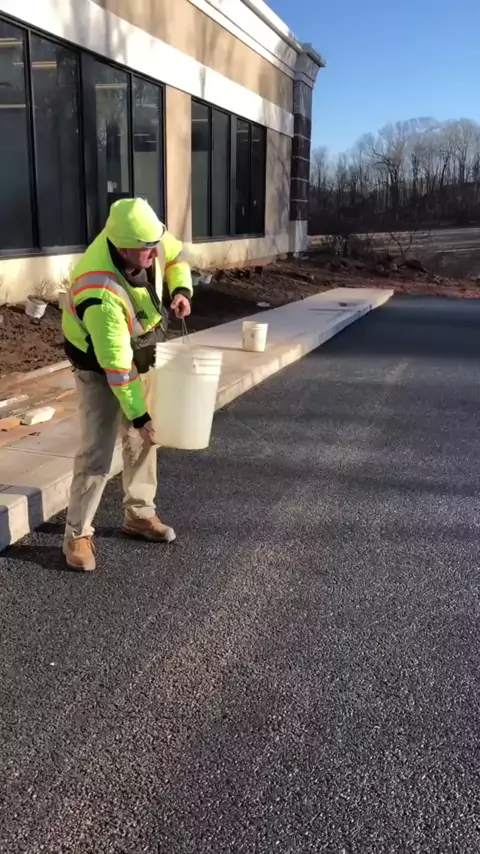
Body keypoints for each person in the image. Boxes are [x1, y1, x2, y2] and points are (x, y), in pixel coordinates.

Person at [61, 198, 193, 572]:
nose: (153, 253)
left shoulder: (147, 238)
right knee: (98, 451)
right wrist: (139, 414)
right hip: (98, 362)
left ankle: (139, 513)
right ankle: (76, 534)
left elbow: (176, 255)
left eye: (154, 243)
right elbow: (117, 366)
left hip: (139, 346)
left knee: (142, 438)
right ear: (121, 247)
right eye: (145, 249)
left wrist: (181, 290)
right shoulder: (99, 290)